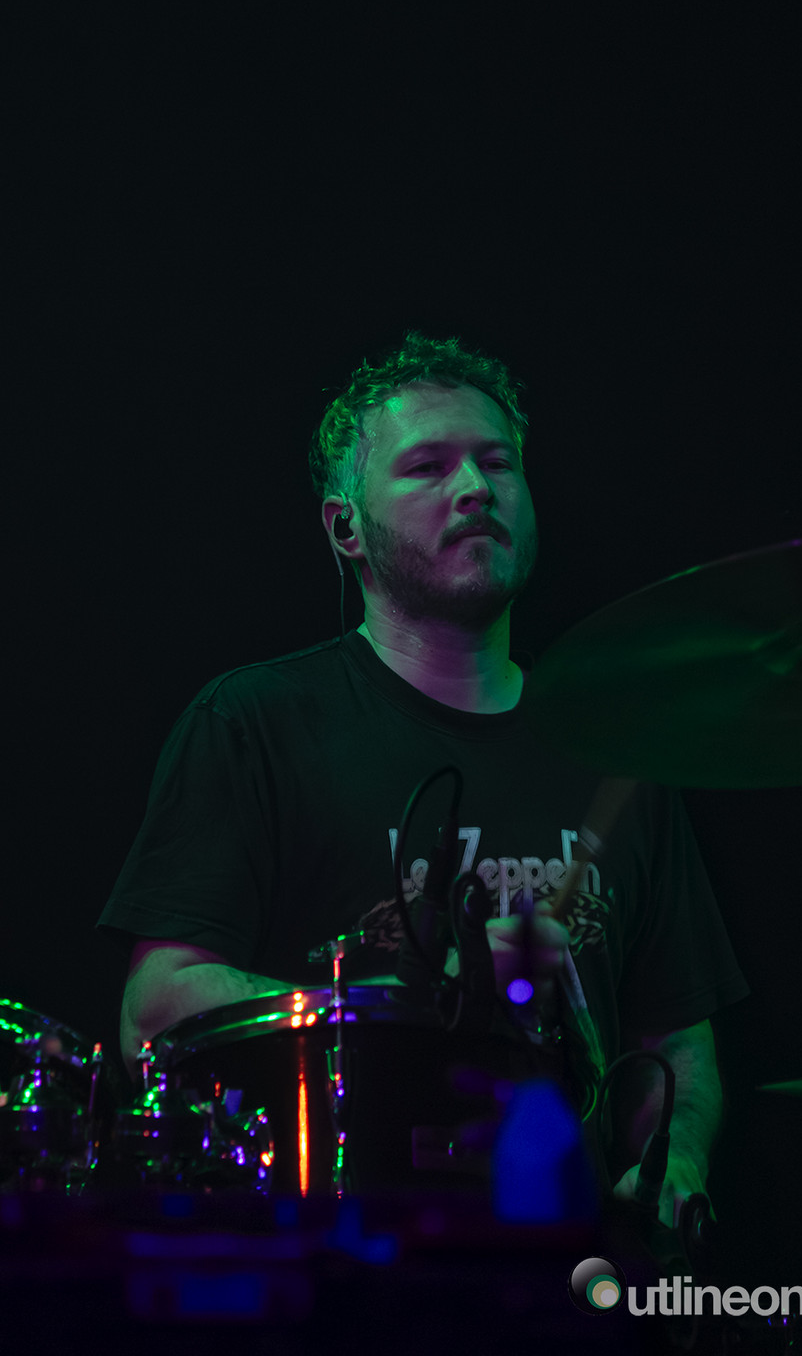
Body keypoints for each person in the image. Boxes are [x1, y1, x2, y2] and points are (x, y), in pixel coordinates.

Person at [99, 331, 747, 1226]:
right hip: (339, 1256)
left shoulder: (619, 751)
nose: (475, 488)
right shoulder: (255, 723)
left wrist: (676, 1162)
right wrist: (409, 1008)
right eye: (427, 468)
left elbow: (674, 1037)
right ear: (346, 529)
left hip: (570, 1267)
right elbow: (156, 1008)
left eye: (498, 463)